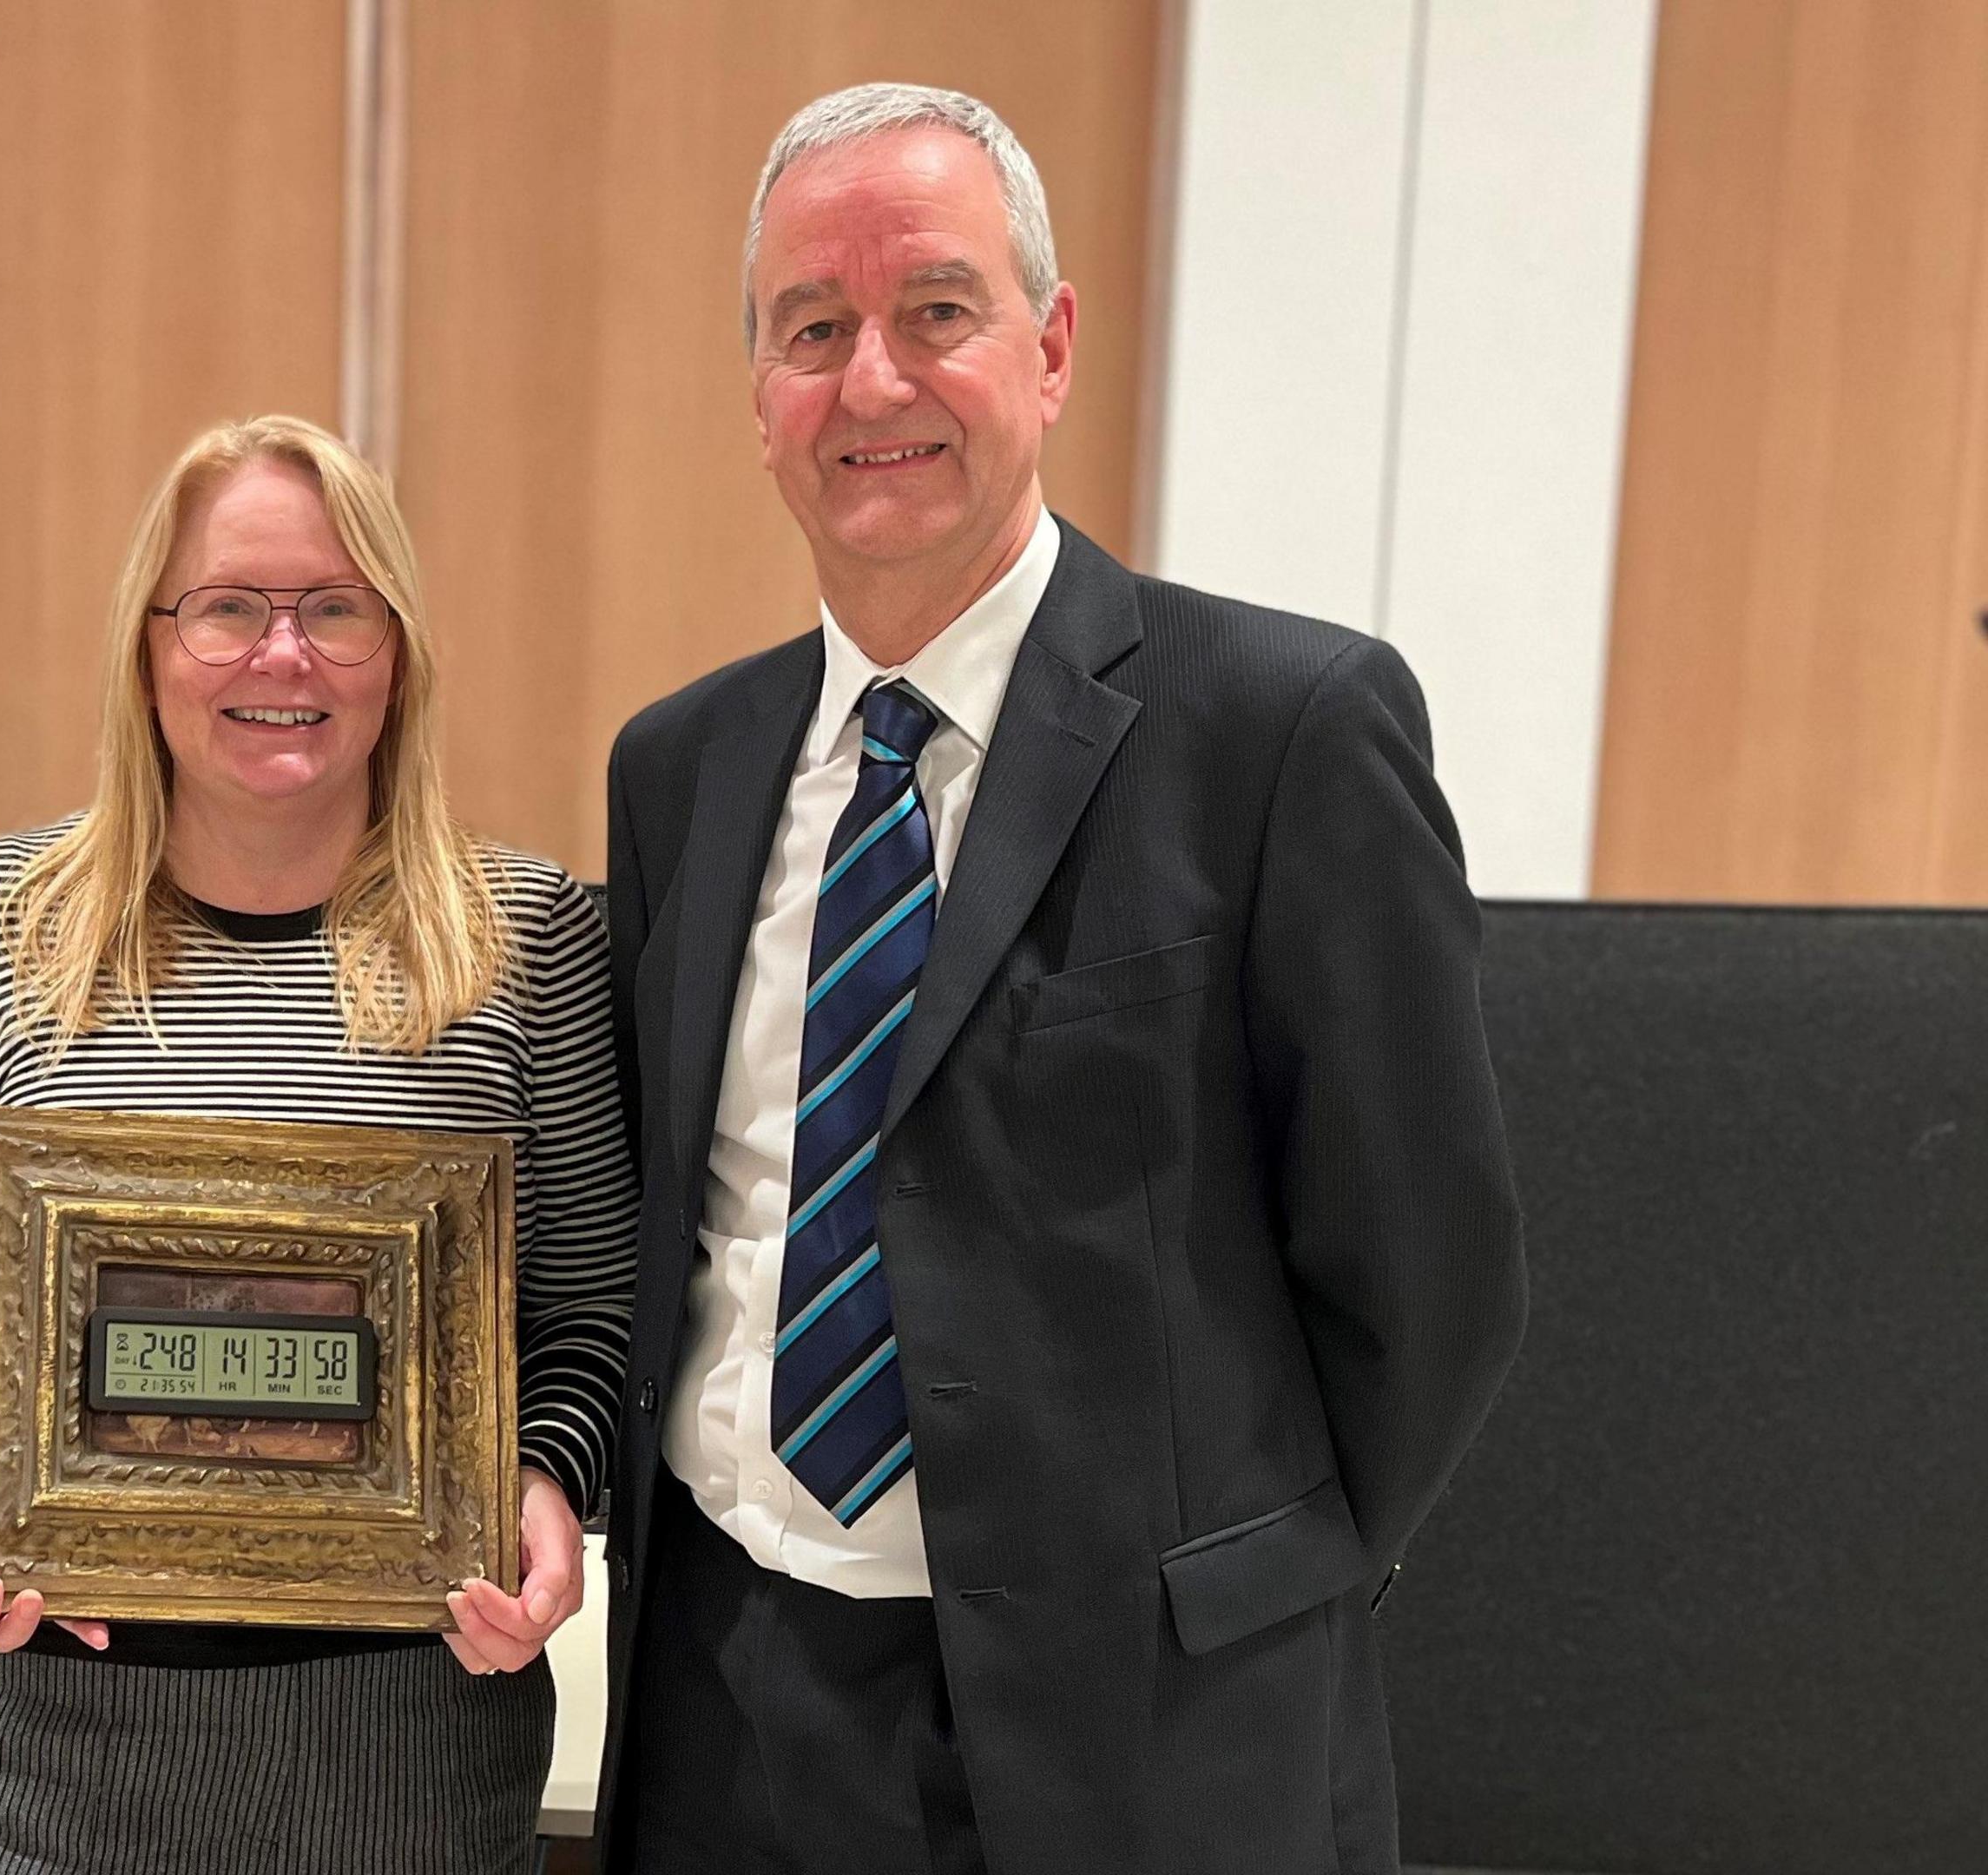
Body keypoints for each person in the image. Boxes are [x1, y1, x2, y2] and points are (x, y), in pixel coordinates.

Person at [598, 84, 1527, 1874]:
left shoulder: (1285, 733)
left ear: (1052, 348)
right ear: (761, 402)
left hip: (1152, 1743)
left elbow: (1432, 1271)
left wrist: (1251, 1591)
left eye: (937, 310)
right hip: (731, 1709)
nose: (872, 382)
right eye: (815, 329)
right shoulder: (682, 770)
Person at [0, 415, 636, 1875]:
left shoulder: (524, 942)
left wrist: (543, 1482)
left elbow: (592, 1316)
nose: (284, 657)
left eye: (337, 609)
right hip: (49, 1743)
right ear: (148, 647)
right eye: (227, 609)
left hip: (411, 1750)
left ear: (399, 654)